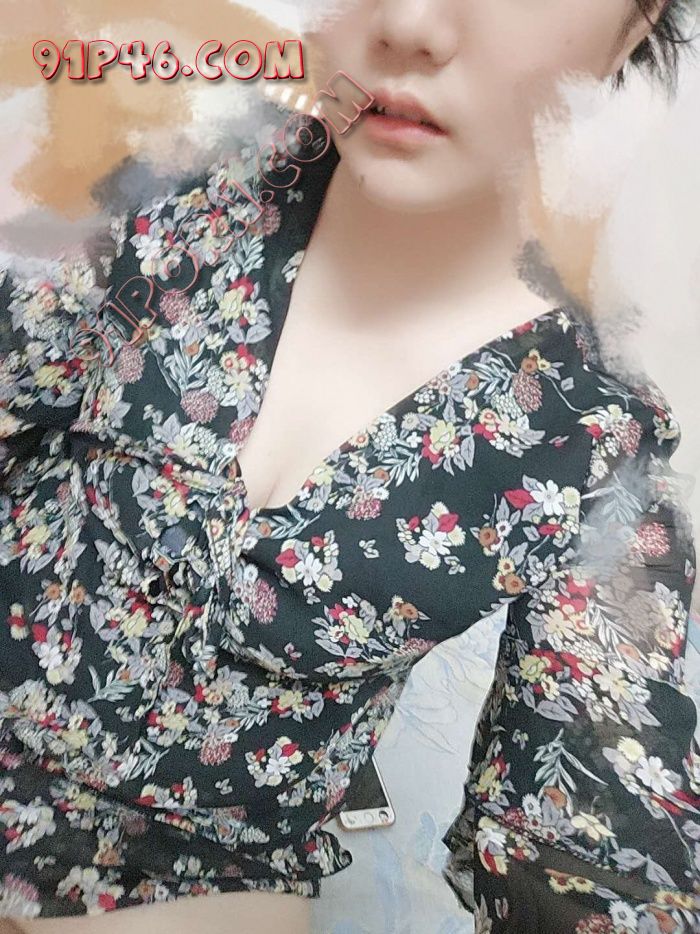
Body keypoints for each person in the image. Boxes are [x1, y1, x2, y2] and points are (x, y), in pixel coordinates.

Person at [1, 1, 699, 932]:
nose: (409, 21)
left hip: (197, 872)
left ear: (635, 24)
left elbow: (592, 853)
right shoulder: (183, 172)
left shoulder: (598, 445)